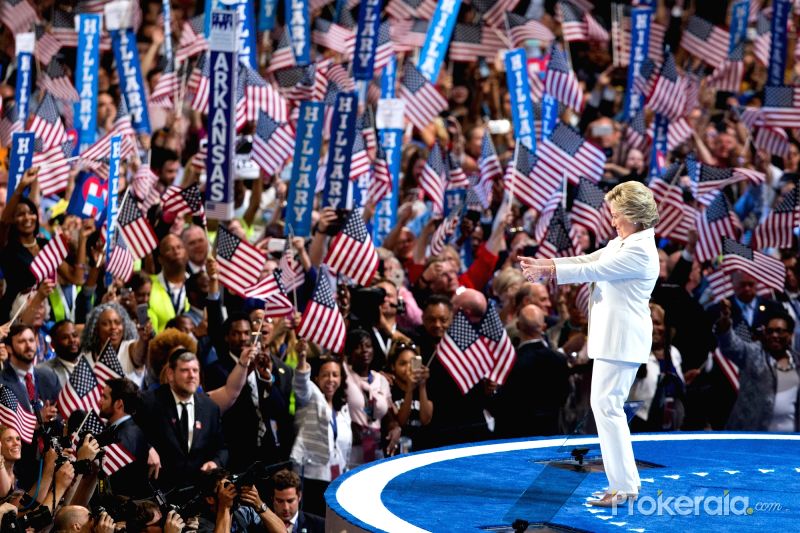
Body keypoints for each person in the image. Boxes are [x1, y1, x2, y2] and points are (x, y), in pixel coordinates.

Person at [521, 180, 660, 507]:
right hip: (615, 340)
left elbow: (596, 269)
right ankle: (625, 484)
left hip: (622, 340)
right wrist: (545, 266)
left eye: (616, 215)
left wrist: (549, 270)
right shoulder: (624, 242)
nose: (612, 221)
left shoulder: (640, 249)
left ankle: (622, 487)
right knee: (607, 408)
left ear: (632, 214)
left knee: (607, 408)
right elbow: (587, 260)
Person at [136, 349, 228, 491]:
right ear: (170, 374)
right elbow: (132, 432)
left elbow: (222, 448)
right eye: (185, 370)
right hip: (159, 491)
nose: (192, 375)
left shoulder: (210, 407)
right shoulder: (149, 402)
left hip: (197, 492)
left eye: (195, 370)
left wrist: (215, 462)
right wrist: (147, 448)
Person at [715, 303, 800, 431]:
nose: (774, 336)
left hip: (790, 438)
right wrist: (725, 325)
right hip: (754, 435)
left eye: (779, 331)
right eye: (769, 331)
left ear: (790, 335)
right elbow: (731, 345)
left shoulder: (797, 361)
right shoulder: (752, 353)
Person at [290, 343, 351, 517]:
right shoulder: (310, 397)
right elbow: (301, 383)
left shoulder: (343, 407)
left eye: (335, 375)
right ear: (316, 378)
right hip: (310, 476)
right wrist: (302, 357)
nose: (330, 379)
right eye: (325, 375)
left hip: (335, 477)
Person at [493, 305, 569, 438]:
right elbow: (563, 396)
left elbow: (504, 404)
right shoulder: (560, 359)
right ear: (544, 327)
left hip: (520, 434)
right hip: (551, 431)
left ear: (517, 326)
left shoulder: (511, 363)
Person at [628, 304, 686, 432]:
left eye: (658, 323)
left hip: (670, 426)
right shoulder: (632, 353)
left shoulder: (674, 353)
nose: (653, 328)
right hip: (639, 425)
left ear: (665, 327)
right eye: (648, 322)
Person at [342, 329, 391, 467]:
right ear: (349, 352)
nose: (364, 350)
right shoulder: (345, 375)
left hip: (376, 451)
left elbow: (389, 417)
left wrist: (394, 428)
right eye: (358, 347)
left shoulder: (381, 380)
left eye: (368, 346)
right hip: (352, 451)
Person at [97, 378, 151, 498]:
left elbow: (111, 482)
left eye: (104, 397)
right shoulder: (126, 430)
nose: (99, 401)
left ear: (119, 404)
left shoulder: (124, 438)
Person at [386, 342, 432, 452]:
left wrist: (422, 387)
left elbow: (426, 419)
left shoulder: (425, 386)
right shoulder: (389, 388)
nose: (408, 367)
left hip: (422, 448)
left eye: (412, 363)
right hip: (398, 450)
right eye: (403, 363)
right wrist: (409, 390)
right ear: (393, 366)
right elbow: (401, 421)